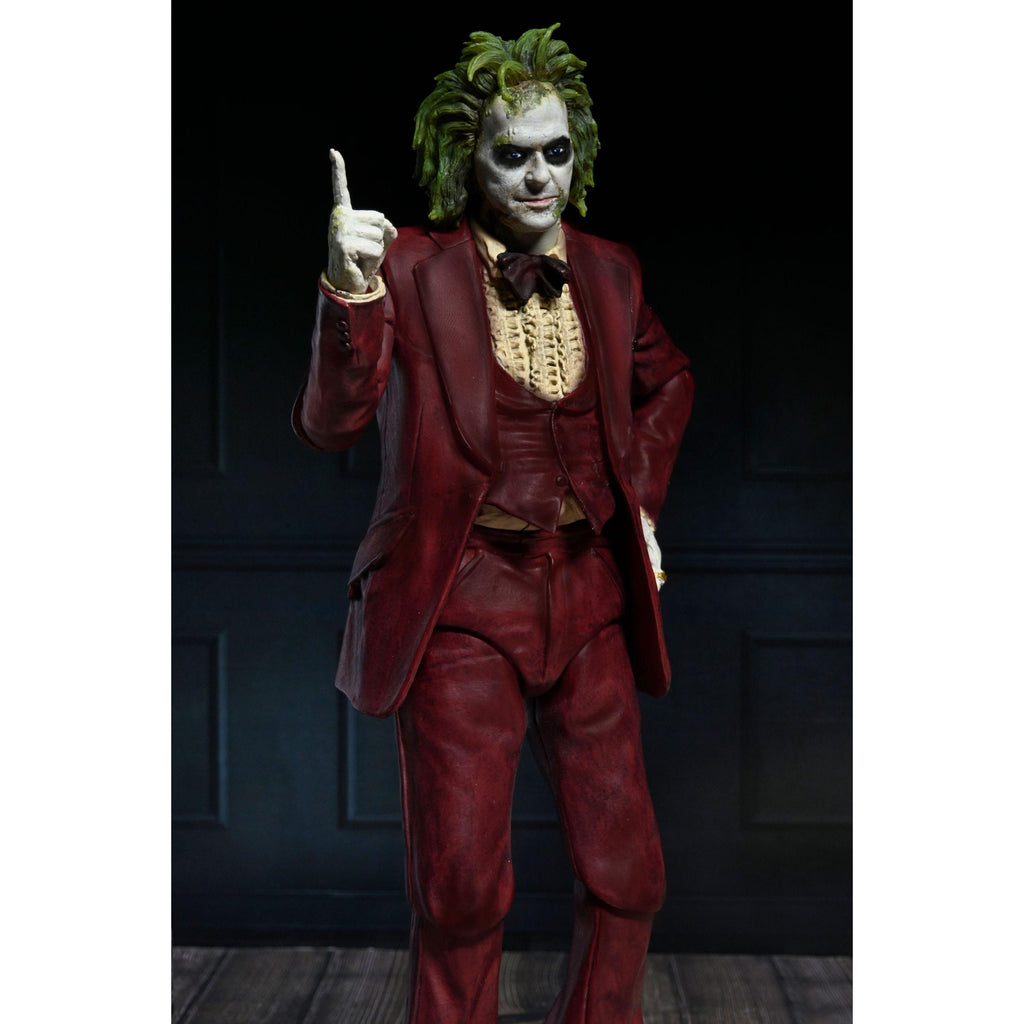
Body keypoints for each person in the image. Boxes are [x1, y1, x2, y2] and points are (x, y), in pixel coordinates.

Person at [293, 24, 694, 1024]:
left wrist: (640, 506)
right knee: (462, 885)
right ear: (464, 160)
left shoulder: (610, 269)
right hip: (462, 597)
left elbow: (670, 381)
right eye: (511, 155)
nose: (537, 176)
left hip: (592, 593)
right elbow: (330, 422)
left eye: (555, 151)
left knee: (629, 871)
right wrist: (349, 288)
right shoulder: (415, 266)